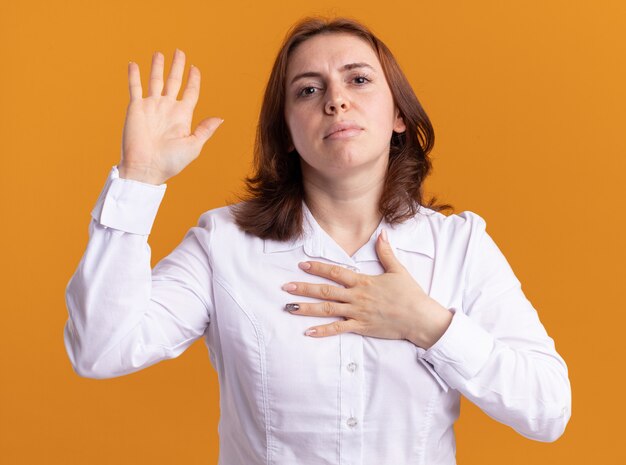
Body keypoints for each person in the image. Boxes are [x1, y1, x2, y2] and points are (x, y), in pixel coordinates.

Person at [64, 16, 572, 465]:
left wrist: (430, 325)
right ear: (286, 130)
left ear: (398, 115)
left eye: (359, 79)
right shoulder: (222, 244)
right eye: (308, 90)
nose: (336, 99)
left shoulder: (460, 247)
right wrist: (138, 178)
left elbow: (548, 409)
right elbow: (100, 349)